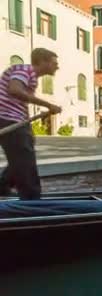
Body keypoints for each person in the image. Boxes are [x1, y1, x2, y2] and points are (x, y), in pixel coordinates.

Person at [0, 48, 62, 200]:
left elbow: (22, 103)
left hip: (16, 121)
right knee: (26, 163)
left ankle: (2, 187)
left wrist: (30, 131)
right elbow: (14, 89)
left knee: (21, 158)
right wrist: (48, 104)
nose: (57, 66)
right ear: (42, 62)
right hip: (8, 119)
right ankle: (31, 199)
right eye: (54, 63)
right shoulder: (23, 69)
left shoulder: (30, 77)